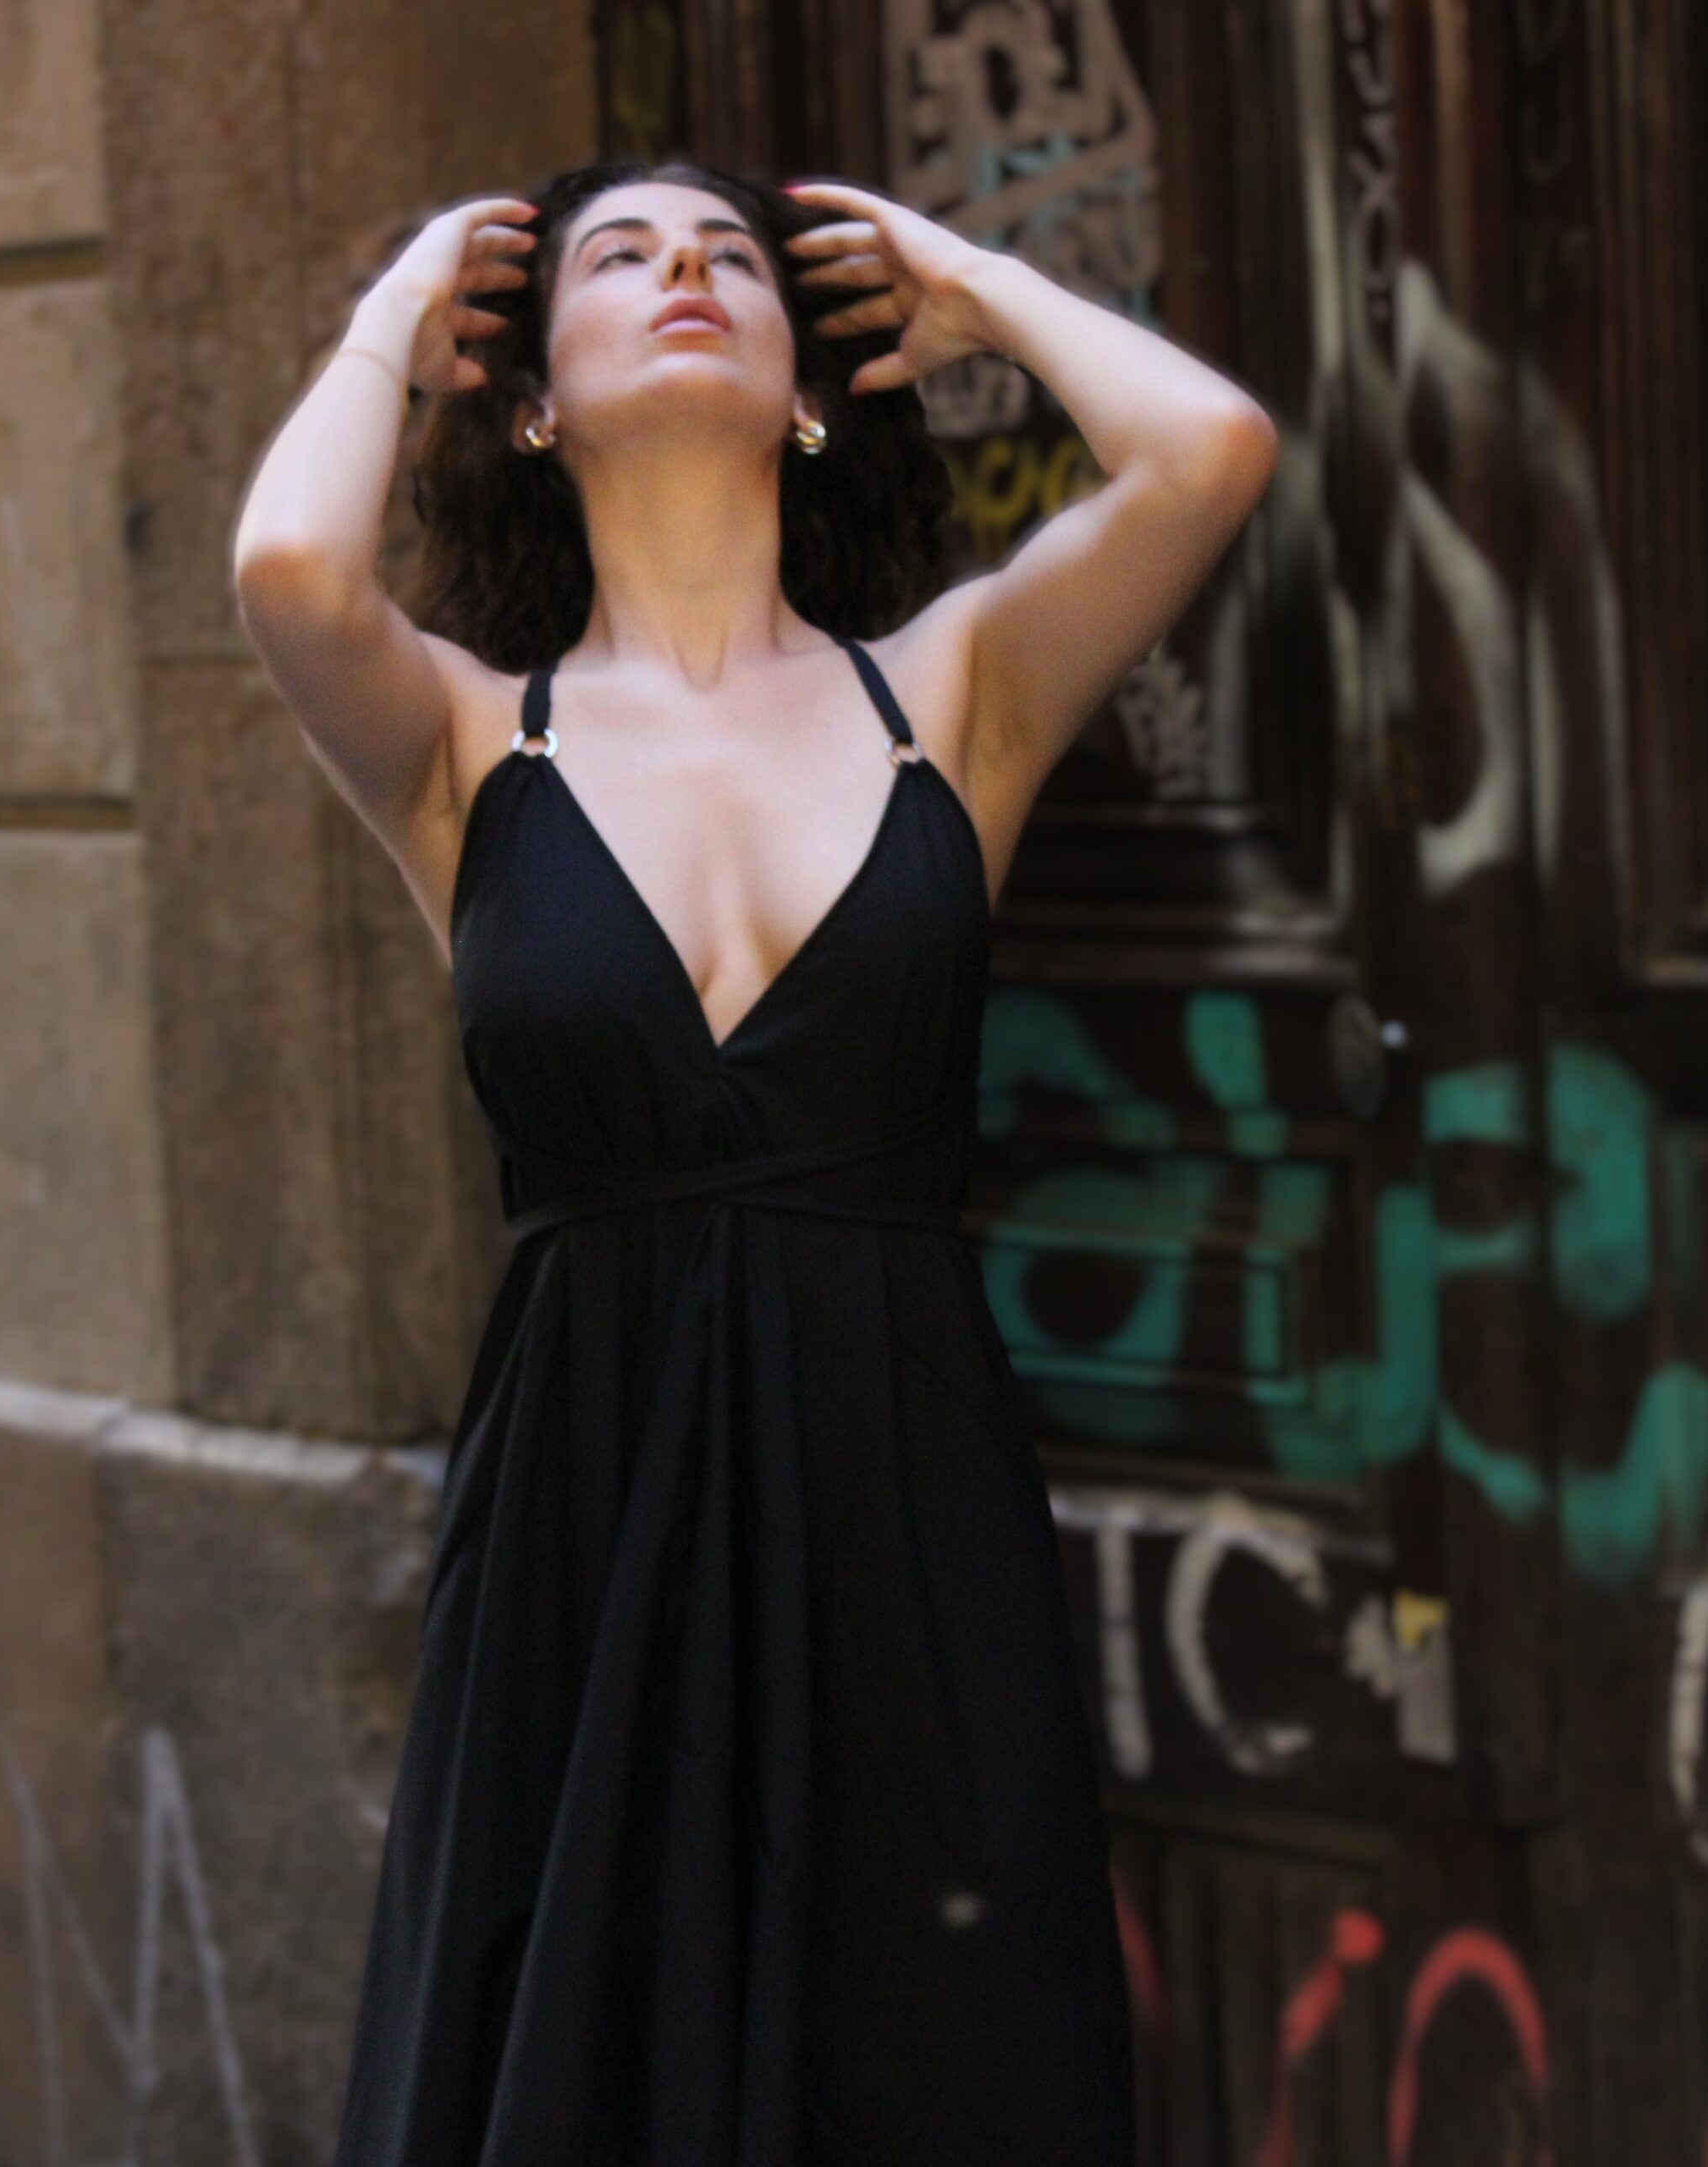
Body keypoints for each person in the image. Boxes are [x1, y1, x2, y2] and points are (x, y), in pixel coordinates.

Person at [232, 155, 1275, 2167]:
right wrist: (396, 307)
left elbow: (1209, 450)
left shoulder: (949, 693)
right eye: (619, 258)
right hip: (584, 1514)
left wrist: (971, 280)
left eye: (731, 256)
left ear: (807, 388)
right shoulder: (468, 741)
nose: (685, 273)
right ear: (537, 400)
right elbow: (287, 569)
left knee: (935, 2055)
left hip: (903, 1495)